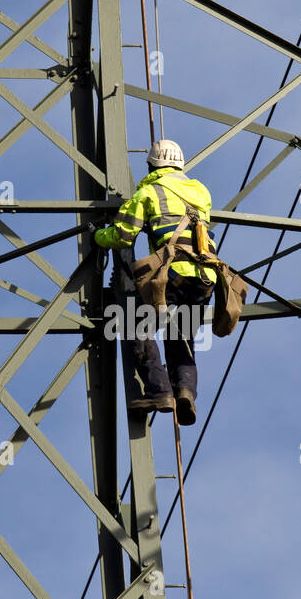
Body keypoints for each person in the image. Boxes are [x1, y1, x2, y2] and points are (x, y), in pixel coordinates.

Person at [94, 139, 217, 426]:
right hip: (206, 277)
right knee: (181, 334)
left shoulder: (148, 192)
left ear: (151, 165)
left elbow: (123, 236)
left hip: (172, 273)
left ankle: (159, 391)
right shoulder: (200, 191)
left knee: (133, 322)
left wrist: (97, 236)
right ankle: (185, 391)